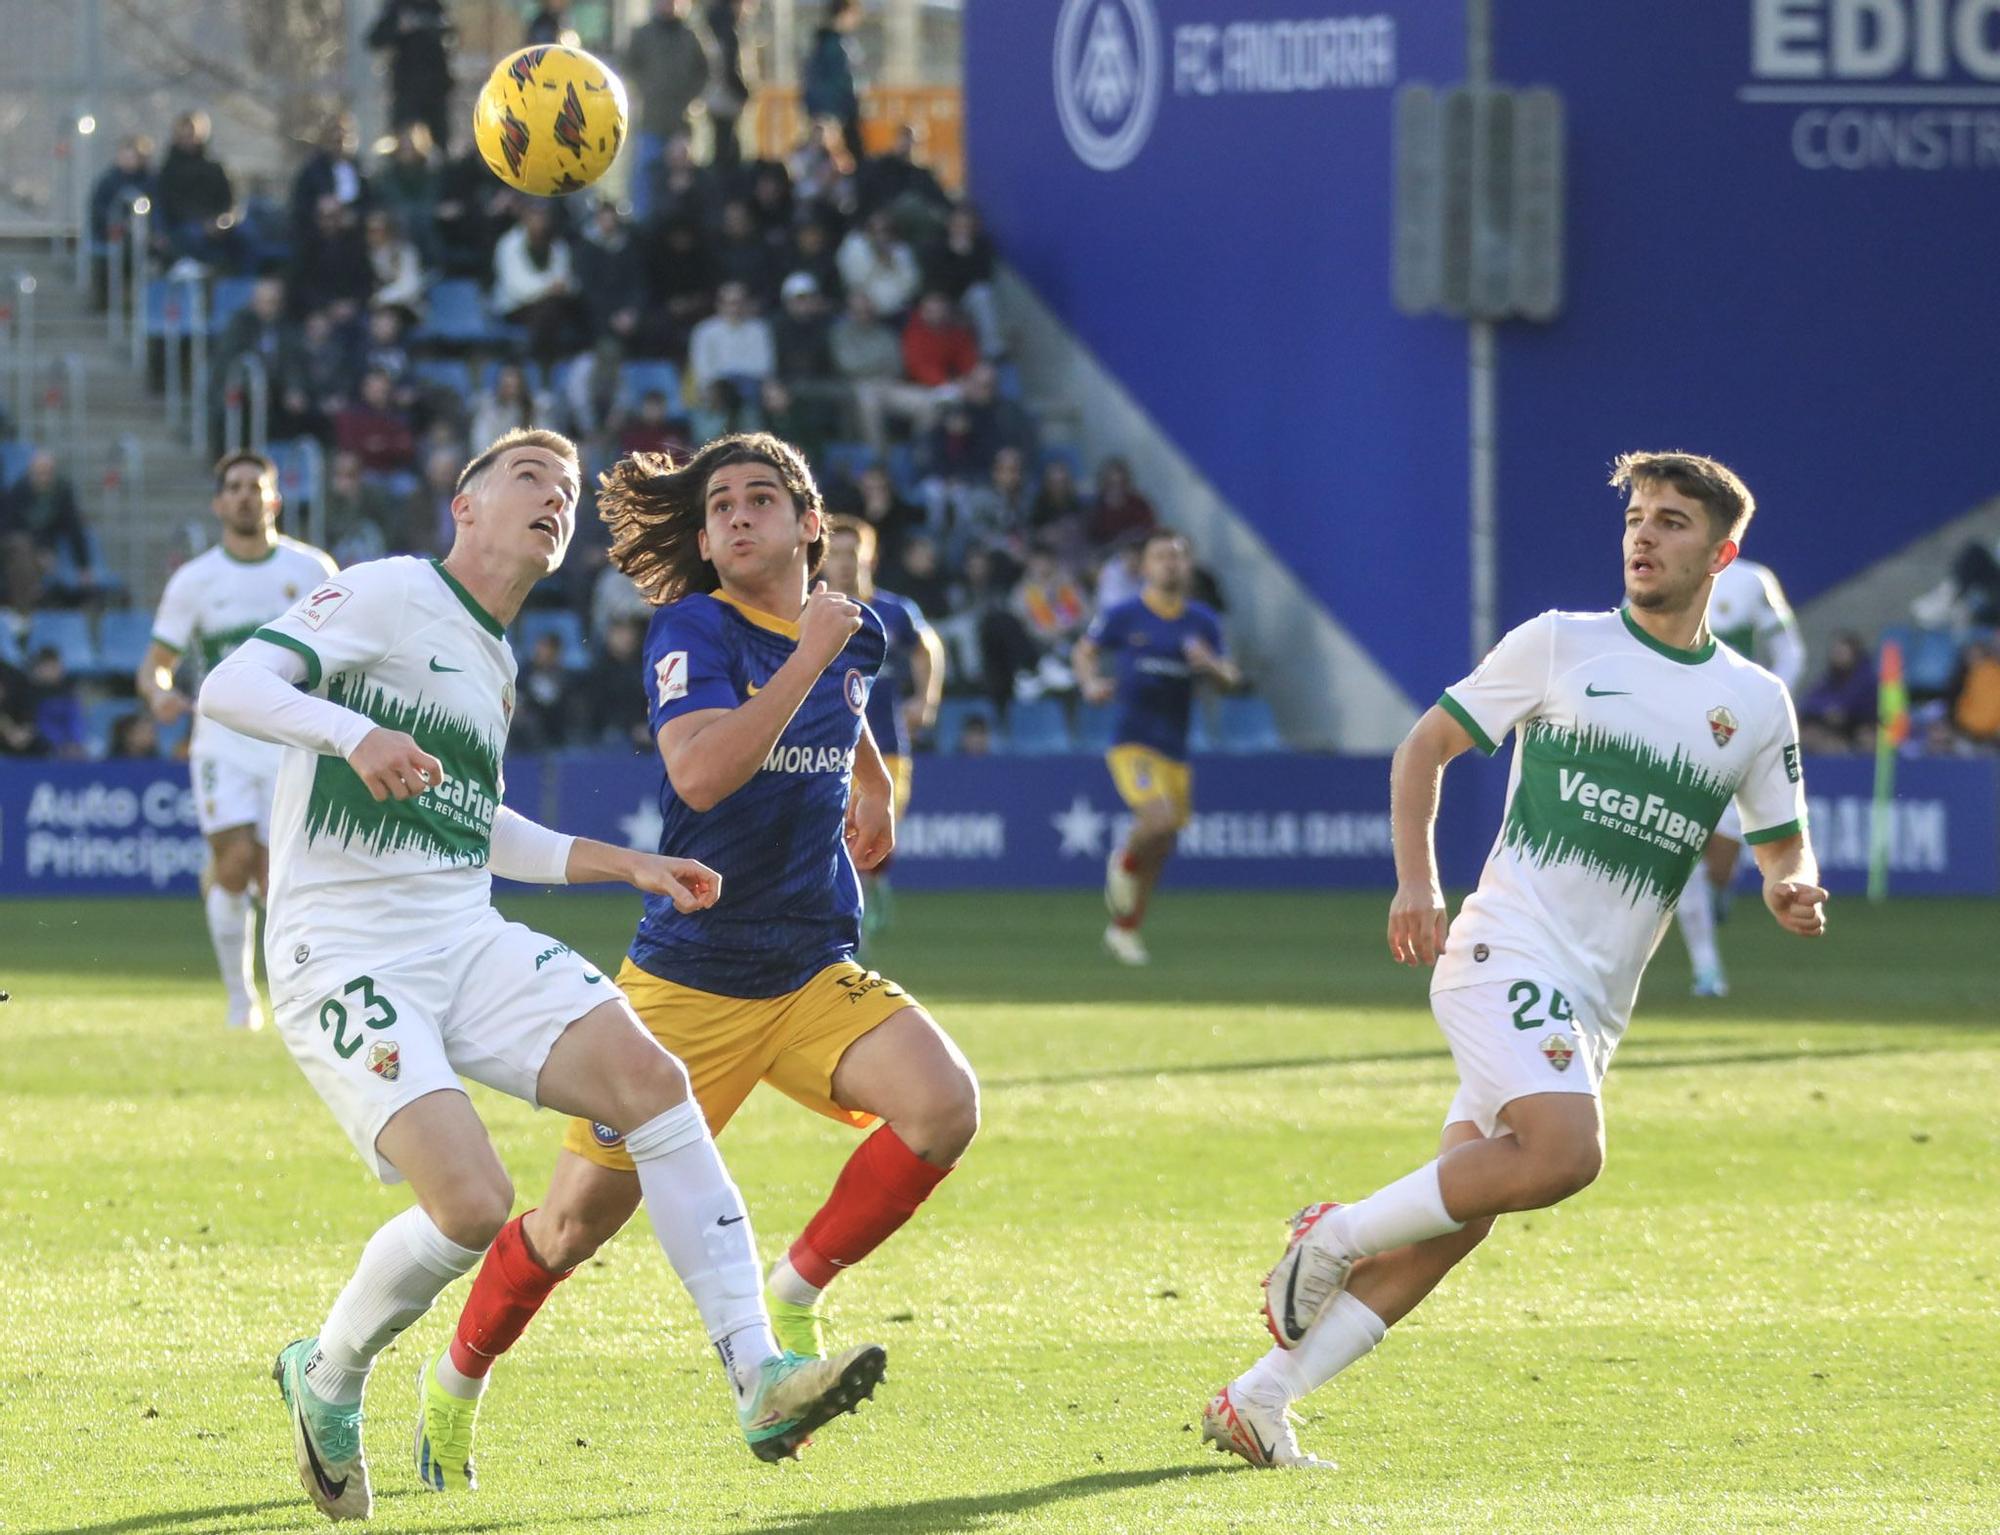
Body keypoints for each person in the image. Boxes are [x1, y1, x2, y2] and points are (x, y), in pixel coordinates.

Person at [197, 428, 883, 1519]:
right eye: (529, 479)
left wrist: (623, 862)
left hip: (460, 933)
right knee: (473, 1204)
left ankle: (757, 1373)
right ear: (462, 506)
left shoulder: (493, 656)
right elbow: (230, 684)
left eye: (566, 491)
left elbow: (473, 823)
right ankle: (326, 1373)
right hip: (339, 948)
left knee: (653, 1084)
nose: (554, 499)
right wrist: (350, 732)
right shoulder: (383, 590)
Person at [1203, 451, 1825, 1469]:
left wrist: (1785, 881)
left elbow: (1778, 837)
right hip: (1502, 946)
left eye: (1670, 521)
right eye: (1635, 516)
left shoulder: (1752, 703)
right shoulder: (1557, 644)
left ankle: (1259, 1396)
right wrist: (1417, 882)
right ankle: (1331, 1231)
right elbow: (1421, 748)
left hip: (1595, 997)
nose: (1642, 534)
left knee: (1461, 1218)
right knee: (1564, 1151)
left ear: (1722, 552)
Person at [421, 432, 975, 1493]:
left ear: (809, 526)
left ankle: (793, 1288)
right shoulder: (692, 628)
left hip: (810, 962)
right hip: (686, 986)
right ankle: (454, 1382)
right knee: (568, 1226)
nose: (732, 515)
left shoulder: (849, 634)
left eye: (759, 498)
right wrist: (810, 654)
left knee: (945, 1103)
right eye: (717, 503)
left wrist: (872, 782)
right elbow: (703, 773)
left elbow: (846, 700)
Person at [136, 453, 338, 1031]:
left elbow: (347, 650)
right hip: (221, 737)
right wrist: (159, 695)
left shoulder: (314, 570)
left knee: (278, 874)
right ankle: (238, 999)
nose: (246, 496)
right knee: (233, 862)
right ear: (219, 504)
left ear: (274, 500)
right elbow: (157, 664)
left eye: (257, 487)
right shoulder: (195, 580)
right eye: (234, 488)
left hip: (292, 738)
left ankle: (294, 997)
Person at [1071, 530, 1237, 965]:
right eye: (1162, 556)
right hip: (1133, 741)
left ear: (1189, 566)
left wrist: (1212, 665)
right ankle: (1122, 858)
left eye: (1179, 557)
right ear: (1144, 566)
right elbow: (1085, 651)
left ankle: (1124, 928)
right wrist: (1090, 684)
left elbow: (1231, 680)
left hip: (1175, 747)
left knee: (1162, 845)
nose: (1171, 564)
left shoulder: (1202, 621)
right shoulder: (1125, 614)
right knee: (1157, 818)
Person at [1677, 551, 1805, 998]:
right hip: (1678, 730)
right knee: (1680, 851)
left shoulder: (1754, 580)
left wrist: (1767, 703)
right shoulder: (1657, 573)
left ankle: (1721, 890)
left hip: (1736, 732)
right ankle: (1707, 970)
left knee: (1722, 857)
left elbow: (1790, 651)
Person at [823, 515, 944, 937]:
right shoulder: (811, 611)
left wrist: (926, 699)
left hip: (887, 743)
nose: (843, 562)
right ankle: (843, 919)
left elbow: (928, 649)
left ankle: (864, 897)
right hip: (827, 748)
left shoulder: (894, 612)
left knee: (878, 831)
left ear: (869, 558)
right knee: (832, 836)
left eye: (851, 553)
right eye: (834, 553)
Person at [625, 0, 712, 224]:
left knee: (684, 181)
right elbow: (628, 66)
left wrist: (693, 98)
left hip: (682, 124)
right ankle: (642, 227)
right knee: (645, 177)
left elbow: (708, 71)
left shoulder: (693, 36)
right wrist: (645, 89)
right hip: (651, 121)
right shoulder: (643, 34)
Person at [369, 0, 456, 152]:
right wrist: (399, 28)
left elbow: (449, 35)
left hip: (435, 89)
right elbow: (374, 39)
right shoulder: (397, 6)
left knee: (440, 144)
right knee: (404, 140)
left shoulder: (434, 7)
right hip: (407, 89)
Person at [804, 0, 865, 163]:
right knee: (841, 160)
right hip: (837, 114)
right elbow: (844, 80)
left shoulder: (823, 42)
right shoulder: (835, 44)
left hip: (830, 111)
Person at [1798, 632, 1876, 754]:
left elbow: (1861, 705)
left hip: (1862, 726)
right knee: (1810, 734)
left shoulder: (1867, 678)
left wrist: (1843, 712)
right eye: (1836, 653)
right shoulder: (1830, 677)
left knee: (1867, 738)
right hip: (1833, 728)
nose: (1837, 657)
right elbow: (1809, 702)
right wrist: (1826, 710)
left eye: (1842, 653)